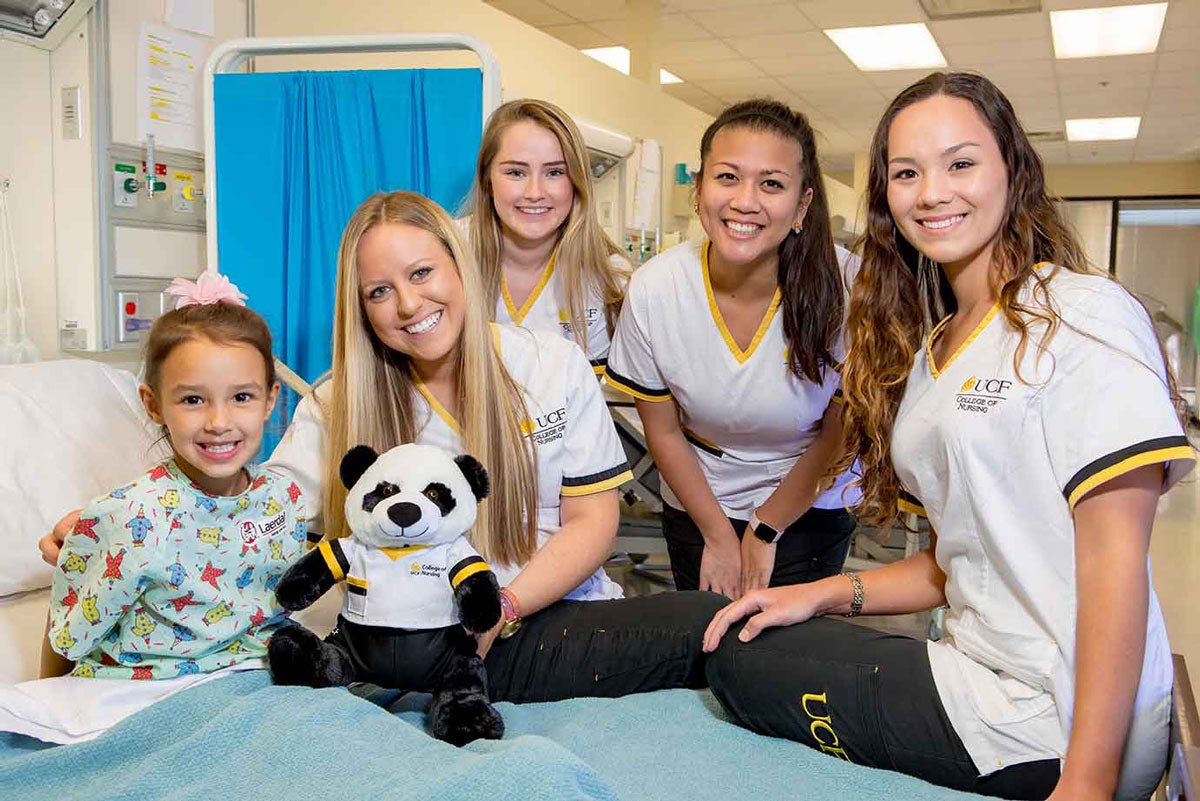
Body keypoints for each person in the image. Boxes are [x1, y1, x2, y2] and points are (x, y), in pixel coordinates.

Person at [703, 72, 1195, 801]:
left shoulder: (1083, 314)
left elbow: (1114, 568)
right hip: (973, 669)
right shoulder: (937, 348)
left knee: (737, 669)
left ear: (1012, 170)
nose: (932, 192)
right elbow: (962, 560)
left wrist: (1088, 782)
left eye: (960, 163)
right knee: (749, 638)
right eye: (907, 172)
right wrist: (820, 593)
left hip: (1055, 722)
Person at [605, 99, 859, 599]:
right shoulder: (657, 287)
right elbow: (662, 431)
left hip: (810, 500)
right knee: (707, 647)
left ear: (802, 205)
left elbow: (838, 434)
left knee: (788, 660)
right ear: (699, 190)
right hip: (701, 498)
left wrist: (765, 528)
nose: (746, 201)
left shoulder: (850, 286)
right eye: (727, 177)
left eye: (771, 183)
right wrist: (719, 535)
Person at [46, 275, 306, 679]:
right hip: (151, 686)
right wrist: (44, 704)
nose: (219, 422)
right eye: (192, 399)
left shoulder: (283, 498)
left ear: (269, 399)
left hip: (258, 675)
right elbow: (67, 634)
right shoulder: (133, 517)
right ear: (153, 404)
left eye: (241, 397)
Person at [466, 98, 629, 375]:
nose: (535, 192)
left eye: (554, 172)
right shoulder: (443, 255)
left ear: (576, 182)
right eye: (516, 172)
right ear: (488, 180)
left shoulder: (609, 279)